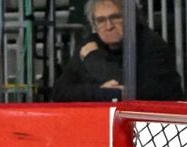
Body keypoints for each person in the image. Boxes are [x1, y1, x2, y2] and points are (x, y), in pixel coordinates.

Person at [52, 0, 184, 102]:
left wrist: (94, 59)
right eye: (101, 20)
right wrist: (100, 92)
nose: (109, 26)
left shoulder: (151, 44)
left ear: (130, 18)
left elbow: (133, 92)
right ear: (94, 24)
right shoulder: (90, 44)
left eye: (115, 17)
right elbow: (59, 91)